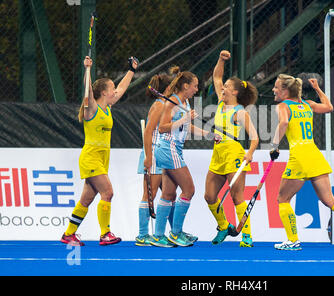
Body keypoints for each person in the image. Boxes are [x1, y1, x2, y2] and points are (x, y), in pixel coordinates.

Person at [270, 74, 334, 251]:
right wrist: (318, 89)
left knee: (283, 199)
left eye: (276, 87)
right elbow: (329, 107)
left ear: (286, 91)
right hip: (314, 154)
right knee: (331, 201)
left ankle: (293, 240)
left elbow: (284, 122)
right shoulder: (307, 105)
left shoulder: (282, 106)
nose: (273, 89)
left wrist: (274, 146)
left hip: (300, 156)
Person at [61, 55, 139, 246]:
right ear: (103, 92)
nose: (115, 90)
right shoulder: (91, 109)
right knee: (108, 192)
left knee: (86, 200)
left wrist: (132, 70)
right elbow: (87, 92)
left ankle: (68, 234)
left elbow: (122, 89)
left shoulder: (108, 107)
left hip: (103, 158)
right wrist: (87, 69)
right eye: (111, 88)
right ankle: (105, 233)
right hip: (91, 157)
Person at [149, 71, 219, 247]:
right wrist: (184, 119)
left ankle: (158, 235)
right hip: (167, 148)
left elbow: (187, 128)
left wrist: (208, 134)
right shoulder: (171, 103)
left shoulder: (185, 103)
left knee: (169, 193)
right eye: (195, 85)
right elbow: (163, 128)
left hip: (174, 149)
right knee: (189, 190)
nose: (197, 89)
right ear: (186, 86)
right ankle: (175, 233)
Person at [204, 50, 259, 247]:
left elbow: (255, 137)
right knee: (209, 196)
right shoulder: (220, 102)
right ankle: (224, 226)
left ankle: (246, 235)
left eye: (227, 87)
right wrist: (220, 59)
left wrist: (250, 153)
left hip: (234, 154)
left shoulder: (240, 112)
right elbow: (217, 76)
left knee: (237, 197)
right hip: (218, 153)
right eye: (224, 86)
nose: (223, 88)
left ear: (235, 92)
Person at [135, 67, 179, 246]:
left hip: (163, 155)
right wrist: (148, 157)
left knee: (170, 194)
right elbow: (147, 133)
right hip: (153, 154)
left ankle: (174, 232)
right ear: (168, 89)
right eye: (173, 88)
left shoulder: (166, 105)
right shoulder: (159, 105)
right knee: (149, 195)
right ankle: (142, 235)